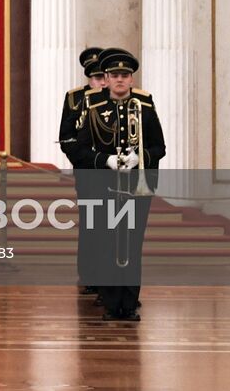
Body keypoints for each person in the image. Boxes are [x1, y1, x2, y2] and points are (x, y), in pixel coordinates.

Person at [74, 49, 165, 322]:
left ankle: (130, 301)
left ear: (131, 78)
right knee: (107, 244)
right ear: (107, 78)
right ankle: (113, 304)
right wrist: (106, 159)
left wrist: (141, 157)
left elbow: (159, 147)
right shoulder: (92, 109)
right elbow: (80, 150)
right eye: (114, 75)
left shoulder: (145, 107)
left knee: (132, 245)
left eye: (125, 75)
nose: (120, 80)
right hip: (104, 185)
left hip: (136, 187)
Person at [62, 47, 107, 295]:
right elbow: (66, 138)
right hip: (88, 172)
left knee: (115, 225)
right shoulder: (74, 98)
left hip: (115, 173)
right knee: (91, 224)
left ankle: (112, 278)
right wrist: (85, 161)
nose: (100, 82)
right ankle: (89, 274)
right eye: (95, 77)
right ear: (88, 77)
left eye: (103, 77)